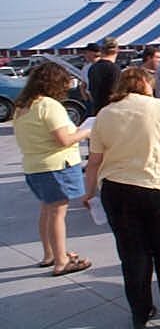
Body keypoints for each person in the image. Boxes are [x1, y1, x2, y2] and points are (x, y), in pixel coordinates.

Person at [83, 68, 160, 329]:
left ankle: (141, 313)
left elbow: (95, 161)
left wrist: (89, 192)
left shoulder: (105, 113)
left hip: (117, 189)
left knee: (132, 254)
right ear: (146, 84)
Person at [13, 62, 92, 276]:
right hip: (56, 166)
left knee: (47, 210)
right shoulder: (49, 105)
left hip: (34, 165)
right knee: (58, 213)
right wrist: (86, 132)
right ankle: (61, 261)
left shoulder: (22, 107)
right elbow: (64, 139)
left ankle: (50, 254)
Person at [88, 37, 120, 115]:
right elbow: (114, 92)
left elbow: (90, 92)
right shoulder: (114, 69)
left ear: (102, 50)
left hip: (97, 110)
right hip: (111, 111)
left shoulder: (93, 67)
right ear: (117, 50)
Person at [79, 42, 101, 116]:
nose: (85, 55)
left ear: (92, 53)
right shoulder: (86, 67)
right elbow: (83, 85)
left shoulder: (103, 65)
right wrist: (86, 100)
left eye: (86, 53)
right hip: (91, 100)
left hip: (101, 98)